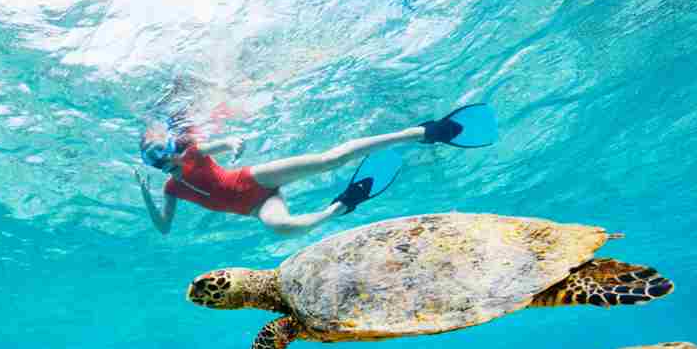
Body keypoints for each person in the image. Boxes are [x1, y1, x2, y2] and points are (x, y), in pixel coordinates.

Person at [136, 104, 495, 235]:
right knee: (284, 228)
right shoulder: (170, 189)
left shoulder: (193, 154)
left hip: (255, 178)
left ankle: (422, 132)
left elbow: (223, 145)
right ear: (157, 169)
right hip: (255, 207)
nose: (173, 167)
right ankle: (343, 204)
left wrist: (234, 144)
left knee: (330, 160)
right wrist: (146, 196)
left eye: (170, 158)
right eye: (163, 166)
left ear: (173, 151)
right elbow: (164, 229)